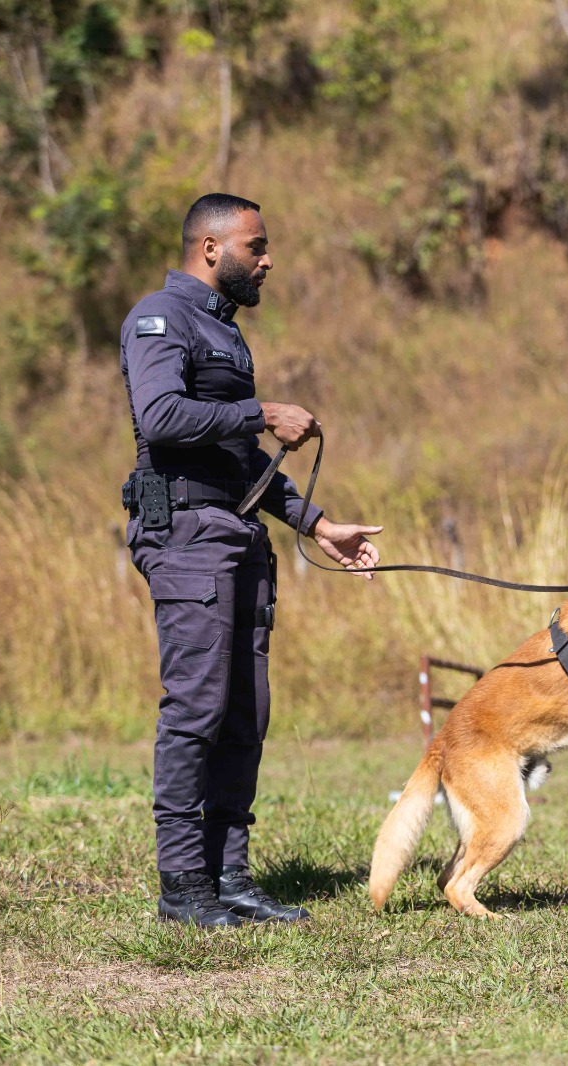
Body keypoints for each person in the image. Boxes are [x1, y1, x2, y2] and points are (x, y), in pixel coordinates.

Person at [120, 193, 383, 926]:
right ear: (210, 249)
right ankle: (184, 888)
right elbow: (161, 417)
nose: (267, 261)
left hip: (236, 534)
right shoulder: (159, 318)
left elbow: (241, 463)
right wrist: (263, 412)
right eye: (255, 248)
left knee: (245, 714)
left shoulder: (224, 334)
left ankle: (229, 874)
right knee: (197, 710)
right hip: (185, 539)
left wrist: (318, 523)